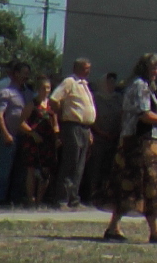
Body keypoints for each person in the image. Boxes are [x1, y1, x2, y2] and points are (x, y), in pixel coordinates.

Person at [103, 53, 157, 245]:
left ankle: (114, 227)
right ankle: (155, 230)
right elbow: (144, 115)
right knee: (149, 184)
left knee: (127, 185)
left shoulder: (136, 85)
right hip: (140, 143)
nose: (156, 71)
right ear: (144, 68)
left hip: (132, 142)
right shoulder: (141, 86)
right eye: (152, 68)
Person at [49, 59, 96, 209]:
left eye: (89, 68)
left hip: (84, 128)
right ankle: (62, 199)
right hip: (72, 126)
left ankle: (74, 199)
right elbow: (54, 99)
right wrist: (61, 114)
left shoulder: (84, 85)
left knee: (80, 166)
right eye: (85, 68)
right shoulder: (70, 82)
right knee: (71, 162)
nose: (88, 71)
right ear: (77, 68)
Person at [19, 76, 62, 205]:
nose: (46, 90)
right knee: (31, 170)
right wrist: (32, 133)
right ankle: (30, 199)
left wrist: (57, 137)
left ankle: (39, 200)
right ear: (38, 89)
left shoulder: (51, 105)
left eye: (48, 88)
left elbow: (55, 124)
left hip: (48, 141)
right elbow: (21, 123)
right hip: (34, 141)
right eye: (43, 88)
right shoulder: (32, 104)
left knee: (46, 171)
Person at [0, 62, 30, 203]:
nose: (26, 76)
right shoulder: (6, 92)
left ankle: (16, 198)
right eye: (23, 73)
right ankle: (1, 198)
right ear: (16, 74)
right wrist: (5, 134)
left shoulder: (28, 93)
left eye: (28, 73)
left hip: (24, 136)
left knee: (21, 170)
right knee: (5, 170)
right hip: (9, 136)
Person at [87, 74, 121, 206]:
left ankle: (106, 195)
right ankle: (92, 194)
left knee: (110, 168)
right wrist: (100, 132)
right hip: (99, 137)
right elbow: (91, 117)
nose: (111, 85)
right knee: (96, 167)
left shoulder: (118, 98)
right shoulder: (95, 98)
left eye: (113, 82)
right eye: (108, 82)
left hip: (114, 138)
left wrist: (116, 132)